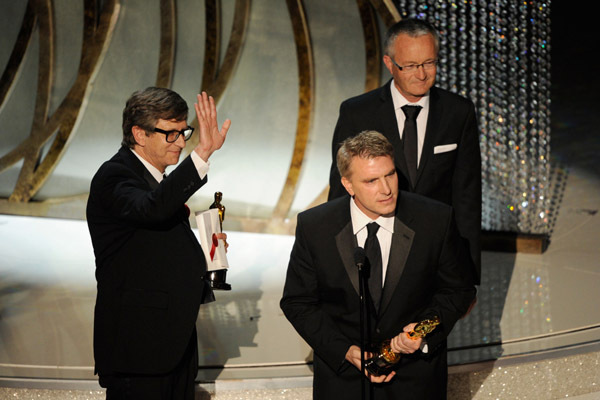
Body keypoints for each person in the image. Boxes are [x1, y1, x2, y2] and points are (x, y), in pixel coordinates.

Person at [282, 131, 476, 399]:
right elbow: (298, 303)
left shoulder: (435, 219)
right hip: (343, 382)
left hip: (415, 380)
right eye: (371, 181)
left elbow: (459, 291)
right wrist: (345, 351)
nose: (386, 189)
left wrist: (422, 331)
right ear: (348, 185)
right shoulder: (315, 226)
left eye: (390, 174)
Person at [86, 87, 231, 399]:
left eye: (184, 132)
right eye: (171, 134)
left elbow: (153, 248)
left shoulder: (156, 181)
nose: (181, 142)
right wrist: (202, 154)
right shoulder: (115, 175)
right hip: (140, 351)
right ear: (139, 134)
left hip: (171, 346)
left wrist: (208, 255)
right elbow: (150, 209)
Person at [328, 18, 481, 284]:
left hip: (436, 255)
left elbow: (467, 199)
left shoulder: (459, 112)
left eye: (429, 63)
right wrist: (335, 269)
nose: (421, 74)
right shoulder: (357, 113)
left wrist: (468, 277)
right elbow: (341, 192)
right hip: (376, 252)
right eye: (410, 66)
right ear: (389, 64)